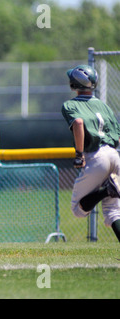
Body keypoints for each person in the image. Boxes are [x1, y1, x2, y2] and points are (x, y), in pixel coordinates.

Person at [62, 64, 120, 242]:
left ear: (74, 84)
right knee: (113, 213)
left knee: (78, 210)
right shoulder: (103, 105)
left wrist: (79, 155)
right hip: (114, 153)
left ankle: (107, 190)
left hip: (95, 156)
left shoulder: (70, 104)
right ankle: (111, 188)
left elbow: (78, 123)